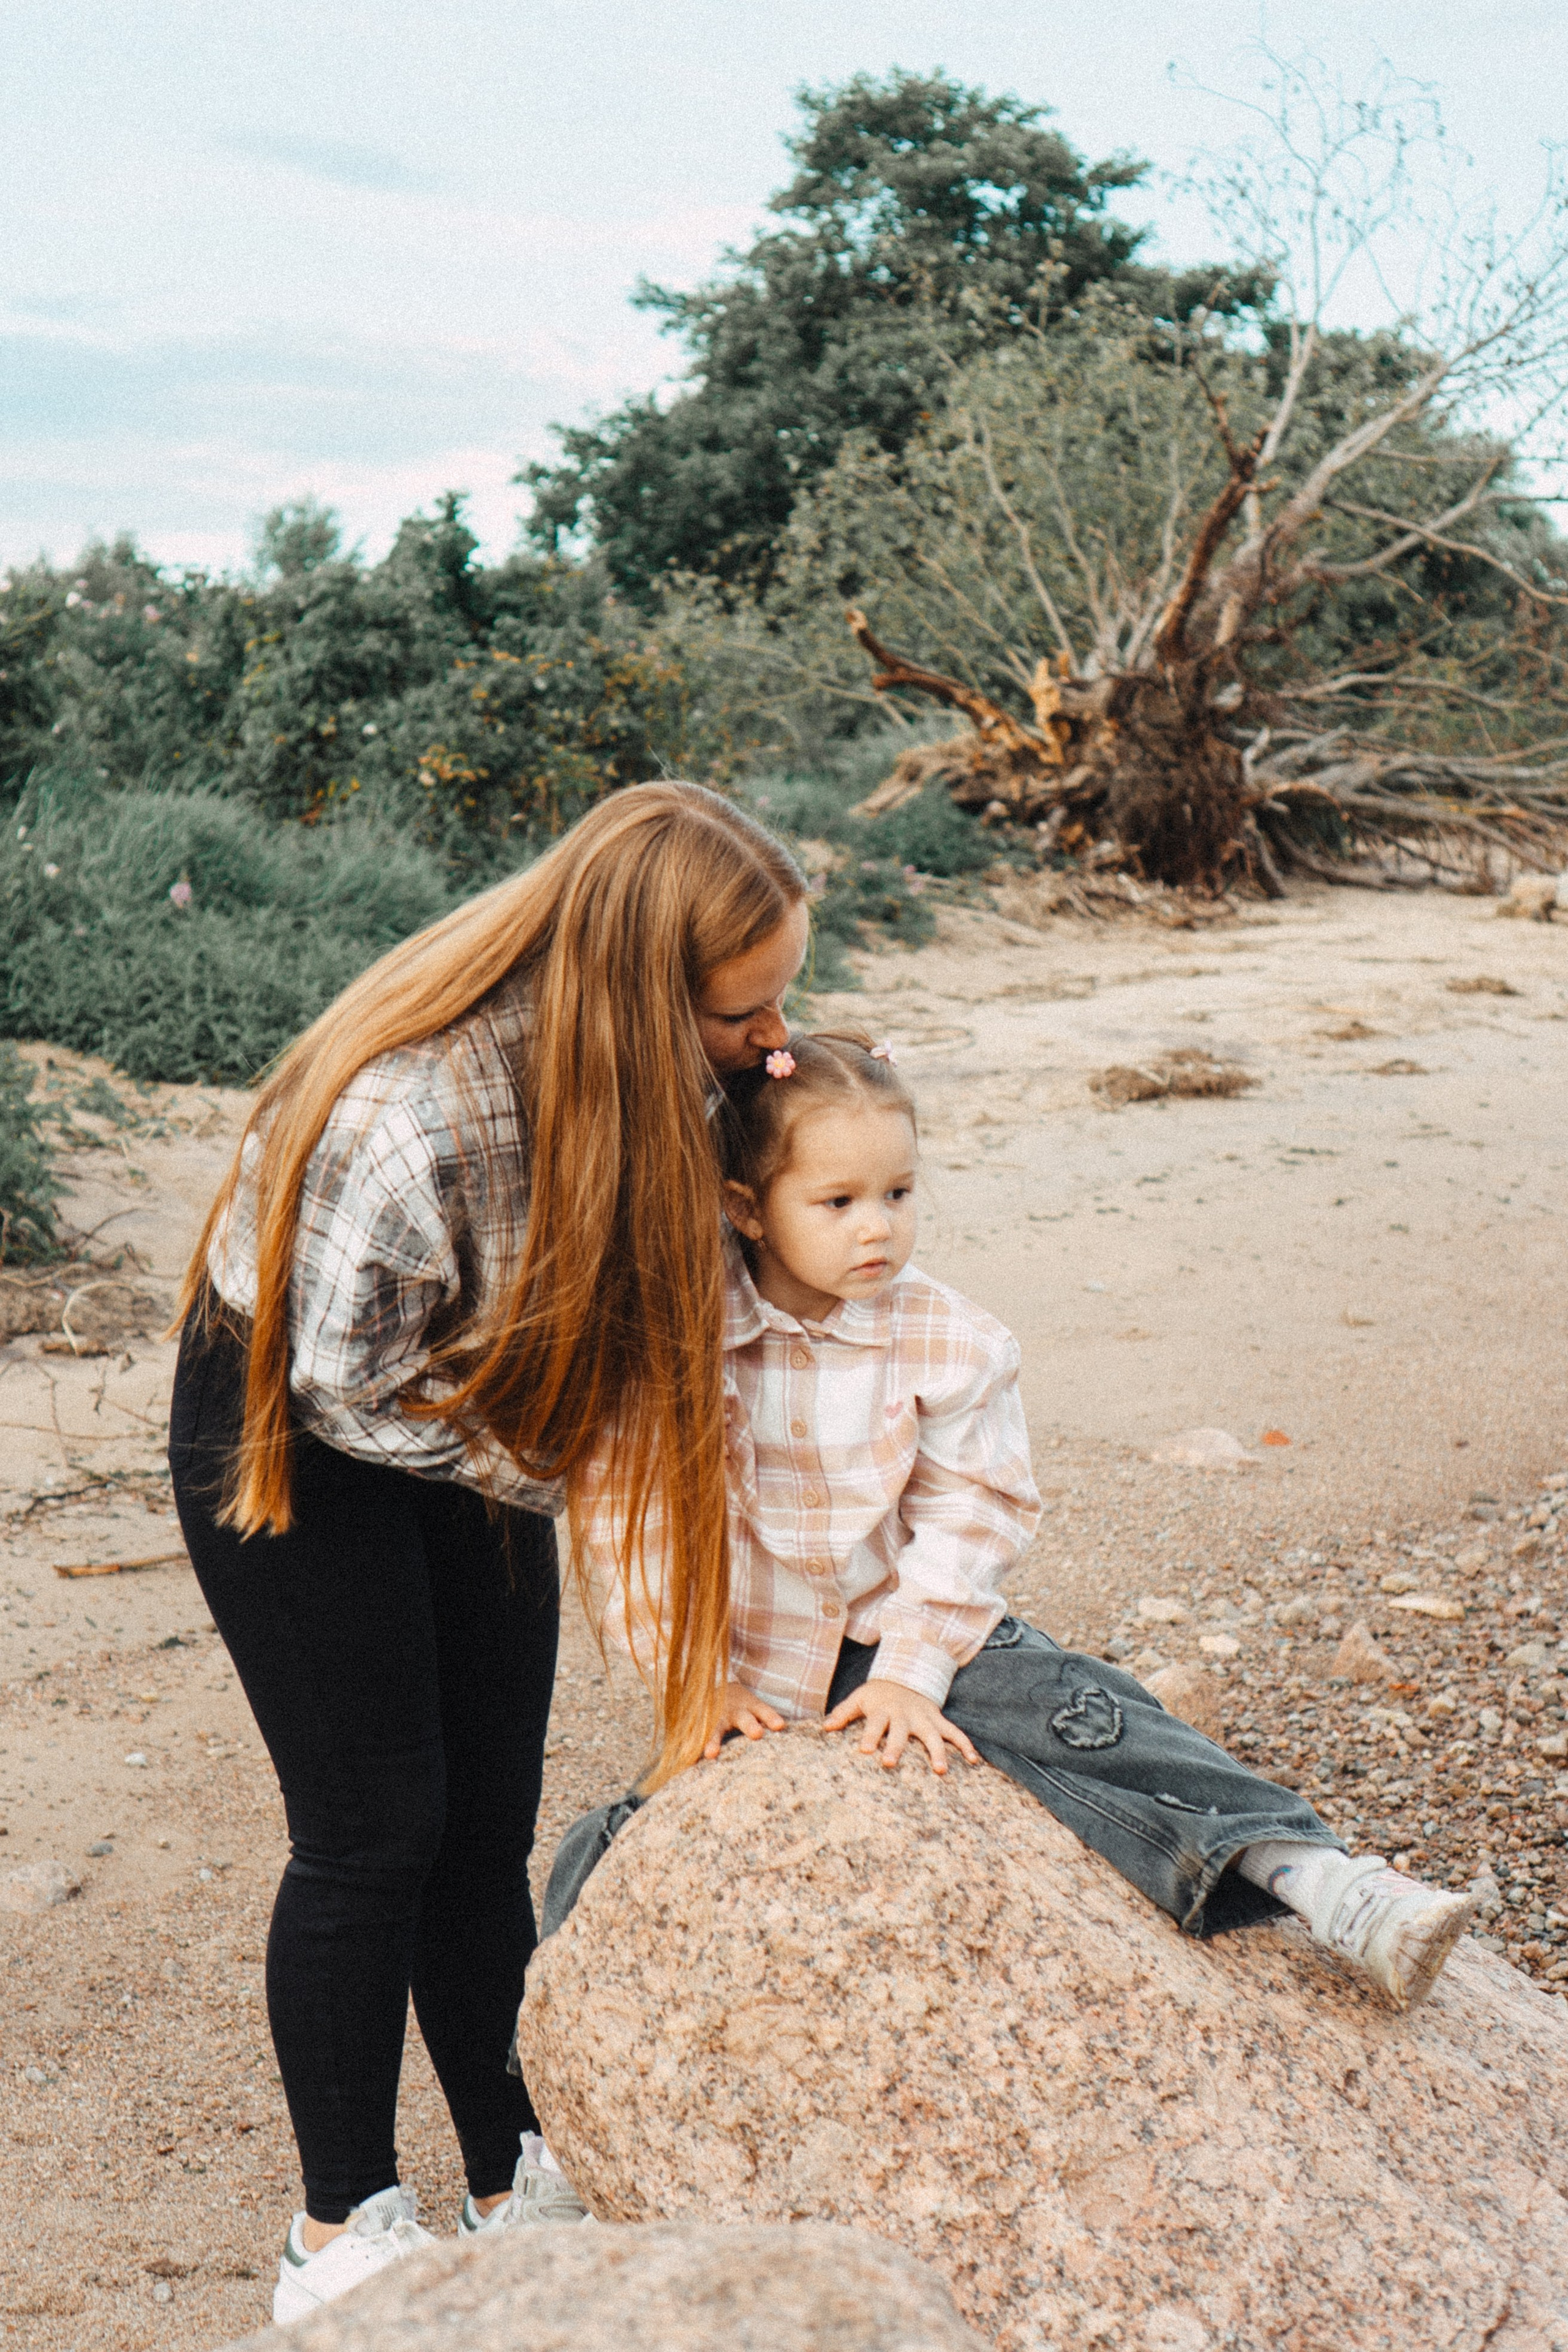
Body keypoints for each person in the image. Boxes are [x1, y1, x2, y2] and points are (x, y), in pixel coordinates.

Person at [167, 783, 809, 2323]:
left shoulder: (680, 1067)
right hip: (298, 1431)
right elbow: (345, 1385)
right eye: (748, 1014)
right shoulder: (419, 1109)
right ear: (648, 1005)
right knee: (376, 1825)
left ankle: (516, 2174)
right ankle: (337, 2231)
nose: (776, 1041)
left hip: (490, 1412)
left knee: (487, 1823)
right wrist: (567, 1455)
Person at [551, 1028, 1480, 2013]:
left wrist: (914, 1668)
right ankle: (554, 2134)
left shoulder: (947, 1338)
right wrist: (697, 1678)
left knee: (1079, 1713)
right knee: (614, 1850)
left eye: (898, 1195)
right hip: (745, 1666)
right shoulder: (681, 1337)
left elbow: (972, 1507)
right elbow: (631, 1524)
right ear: (746, 1208)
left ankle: (1320, 1879)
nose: (878, 1230)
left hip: (897, 1629)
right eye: (837, 1204)